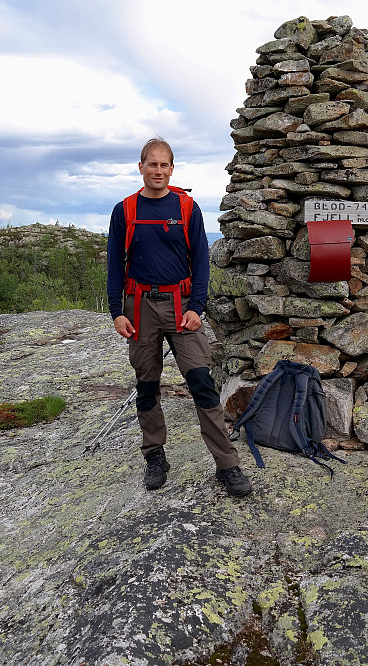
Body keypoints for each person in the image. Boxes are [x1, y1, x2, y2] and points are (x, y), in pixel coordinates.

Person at [106, 137, 253, 497]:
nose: (158, 170)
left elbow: (201, 261)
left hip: (181, 305)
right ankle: (155, 455)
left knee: (201, 381)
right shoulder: (124, 211)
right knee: (147, 384)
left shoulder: (187, 208)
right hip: (139, 306)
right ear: (140, 167)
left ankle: (227, 465)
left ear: (172, 169)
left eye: (165, 165)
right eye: (152, 164)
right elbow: (113, 264)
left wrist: (196, 307)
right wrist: (116, 312)